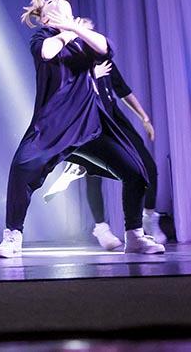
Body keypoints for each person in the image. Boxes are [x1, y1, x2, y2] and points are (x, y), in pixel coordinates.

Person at [0, 0, 163, 258]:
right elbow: (47, 53)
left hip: (90, 125)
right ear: (46, 19)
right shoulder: (42, 37)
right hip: (54, 126)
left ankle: (134, 236)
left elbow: (105, 47)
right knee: (22, 169)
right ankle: (13, 236)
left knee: (136, 172)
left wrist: (75, 29)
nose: (62, 11)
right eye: (55, 10)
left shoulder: (83, 42)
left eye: (67, 11)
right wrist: (65, 32)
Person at [44, 59, 166, 249]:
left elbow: (122, 90)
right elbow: (65, 91)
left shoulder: (102, 57)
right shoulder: (71, 60)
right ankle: (101, 228)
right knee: (93, 173)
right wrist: (92, 76)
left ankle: (149, 216)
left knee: (147, 166)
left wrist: (144, 117)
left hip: (113, 117)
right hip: (89, 117)